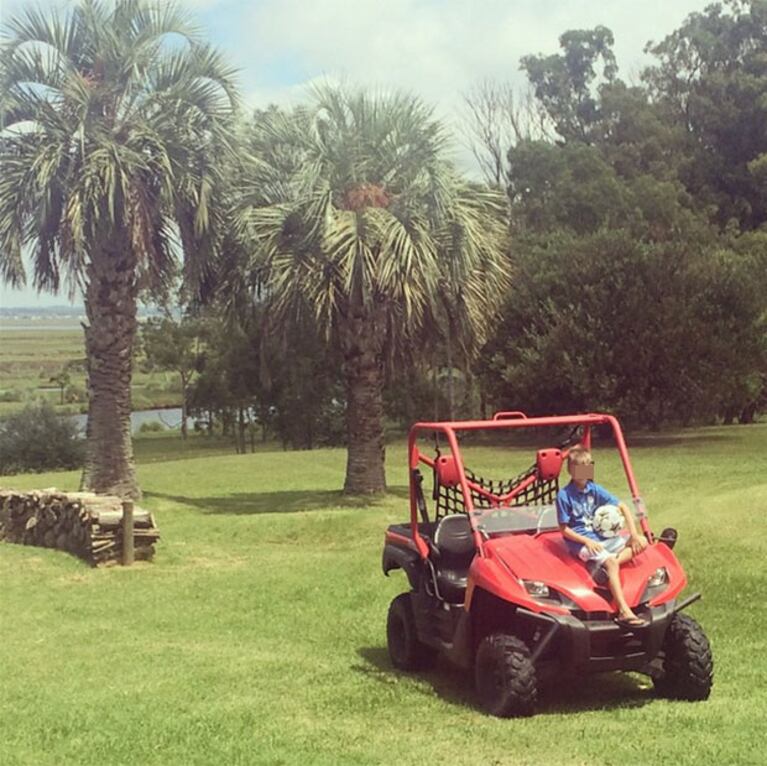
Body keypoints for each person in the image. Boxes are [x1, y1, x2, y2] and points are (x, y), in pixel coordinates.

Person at [556, 445, 649, 628]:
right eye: (579, 467)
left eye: (587, 466)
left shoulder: (594, 489)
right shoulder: (564, 495)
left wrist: (634, 534)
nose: (583, 471)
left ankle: (608, 564)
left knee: (643, 542)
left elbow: (622, 506)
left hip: (600, 539)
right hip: (582, 544)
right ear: (570, 470)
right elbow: (564, 530)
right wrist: (586, 541)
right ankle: (624, 611)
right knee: (613, 563)